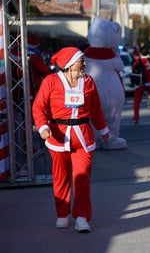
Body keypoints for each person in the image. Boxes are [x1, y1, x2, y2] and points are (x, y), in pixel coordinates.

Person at [32, 47, 110, 233]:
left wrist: (103, 129)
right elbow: (38, 107)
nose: (84, 64)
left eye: (83, 60)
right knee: (61, 177)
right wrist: (43, 127)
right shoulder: (50, 81)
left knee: (82, 178)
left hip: (83, 137)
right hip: (58, 136)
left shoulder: (89, 81)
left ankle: (82, 217)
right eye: (80, 61)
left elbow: (96, 108)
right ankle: (62, 214)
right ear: (68, 64)